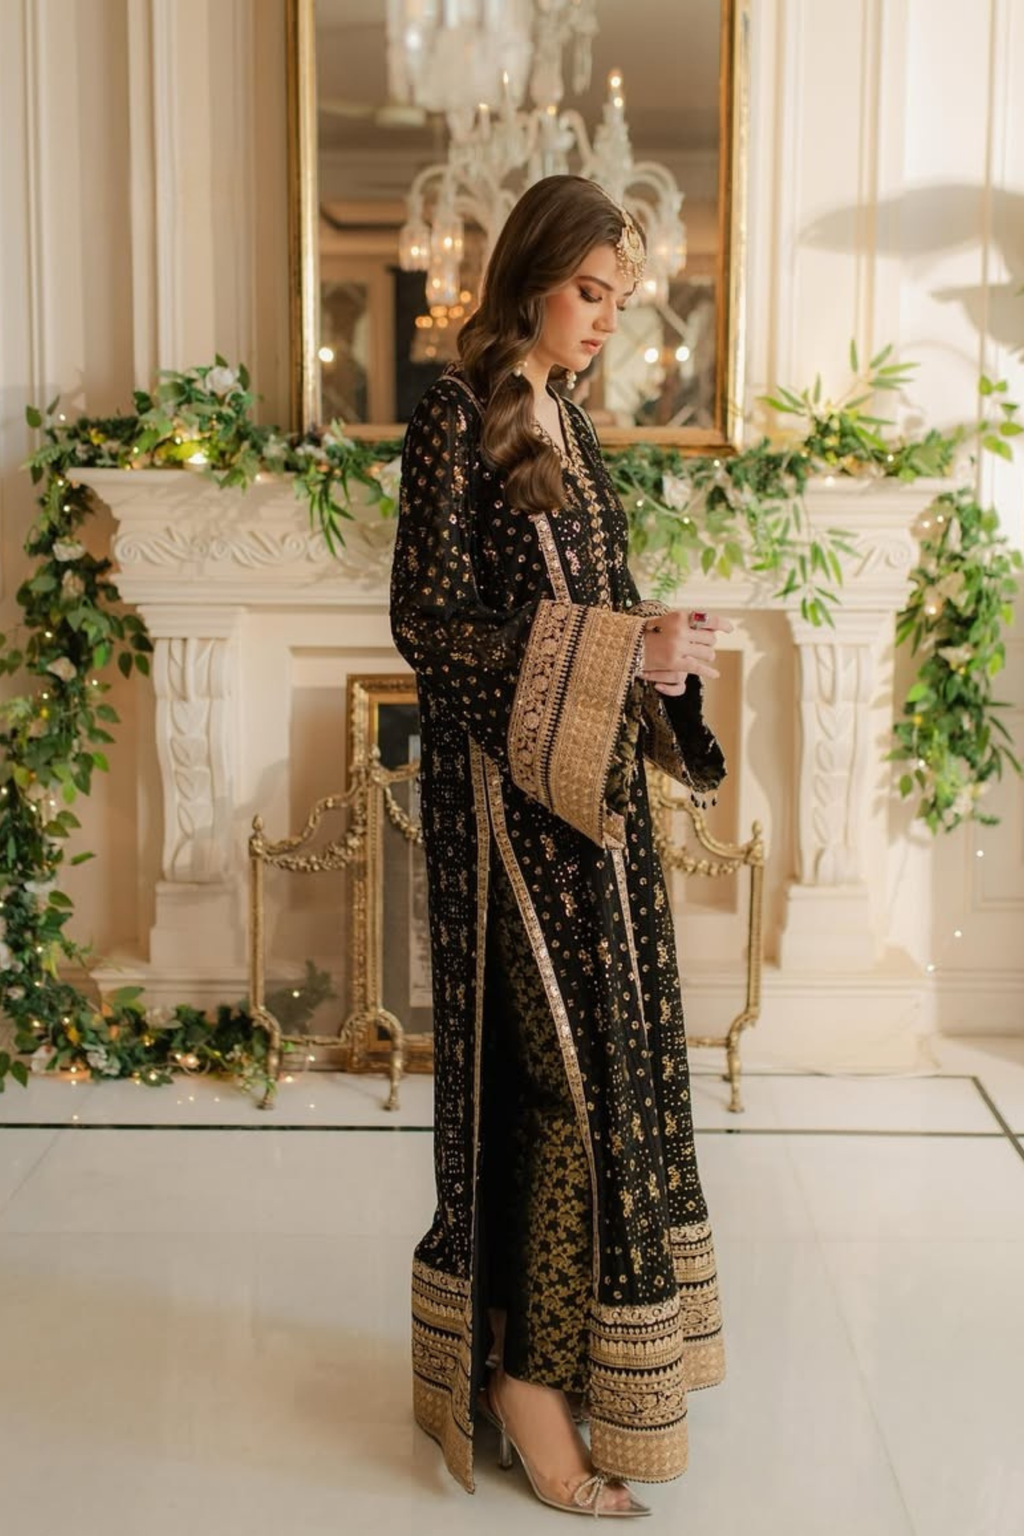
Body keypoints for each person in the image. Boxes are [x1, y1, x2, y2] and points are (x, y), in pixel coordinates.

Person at [390, 173, 732, 1518]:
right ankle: (519, 1381)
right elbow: (430, 626)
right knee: (551, 1088)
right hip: (510, 831)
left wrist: (660, 660)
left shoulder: (577, 433)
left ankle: (568, 1349)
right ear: (532, 270)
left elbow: (606, 609)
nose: (606, 320)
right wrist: (609, 649)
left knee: (615, 1081)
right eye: (592, 292)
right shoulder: (449, 417)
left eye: (620, 300)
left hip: (599, 824)